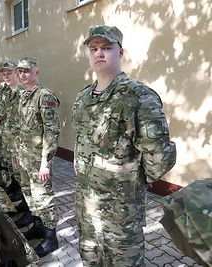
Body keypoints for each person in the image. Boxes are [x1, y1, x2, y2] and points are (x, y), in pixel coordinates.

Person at [72, 25, 177, 266]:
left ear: (120, 53)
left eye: (107, 48)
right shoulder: (83, 97)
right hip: (87, 205)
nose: (99, 53)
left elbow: (160, 155)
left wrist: (131, 183)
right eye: (94, 48)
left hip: (121, 210)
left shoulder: (138, 96)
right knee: (90, 258)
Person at [16, 57, 60, 257]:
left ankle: (51, 237)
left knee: (44, 197)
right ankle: (38, 226)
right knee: (30, 195)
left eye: (26, 70)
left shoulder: (44, 96)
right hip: (25, 158)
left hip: (39, 160)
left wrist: (46, 164)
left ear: (36, 72)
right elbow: (22, 128)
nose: (22, 74)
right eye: (20, 71)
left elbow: (52, 132)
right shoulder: (25, 95)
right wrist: (19, 154)